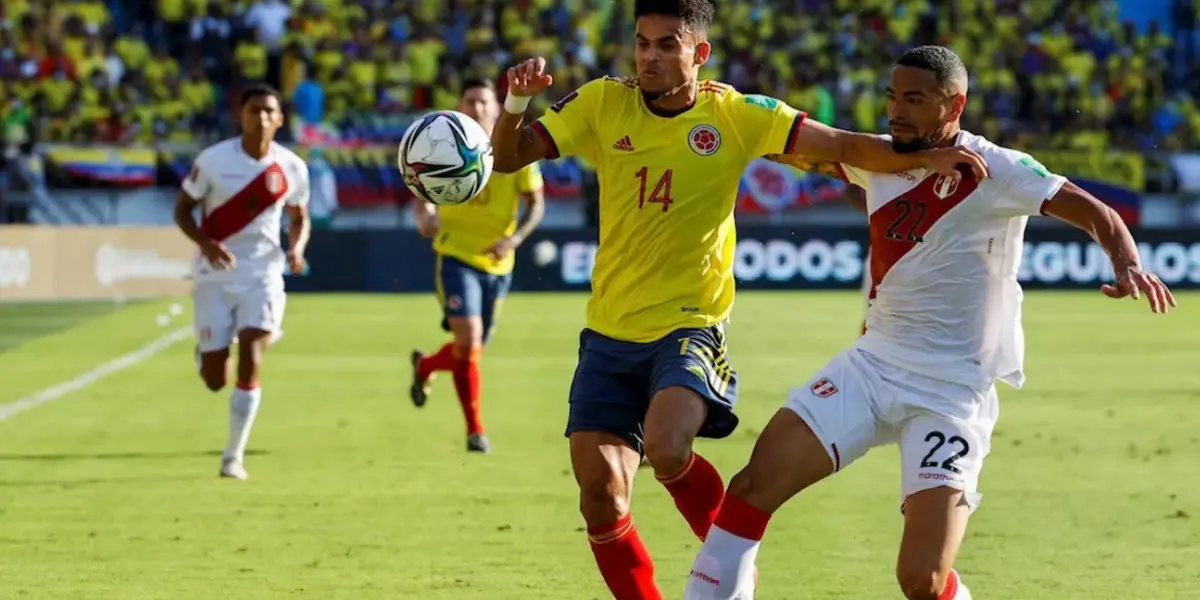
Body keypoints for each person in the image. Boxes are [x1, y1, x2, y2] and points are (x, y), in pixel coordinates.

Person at [489, 0, 990, 596]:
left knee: (669, 447)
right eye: (642, 43)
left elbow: (844, 145)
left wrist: (927, 155)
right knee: (600, 496)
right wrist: (516, 102)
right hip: (608, 331)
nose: (649, 55)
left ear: (698, 53)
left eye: (666, 44)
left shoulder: (734, 114)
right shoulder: (602, 101)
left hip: (689, 325)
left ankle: (730, 560)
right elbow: (508, 157)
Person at [682, 46, 1176, 600]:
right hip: (871, 367)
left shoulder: (999, 168)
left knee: (922, 580)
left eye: (913, 99)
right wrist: (720, 109)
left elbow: (1094, 210)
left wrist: (1128, 263)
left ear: (954, 103)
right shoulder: (878, 156)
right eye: (892, 96)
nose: (896, 110)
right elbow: (799, 147)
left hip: (950, 389)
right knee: (750, 488)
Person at [174, 83, 311, 481]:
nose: (262, 117)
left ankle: (233, 456)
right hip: (215, 274)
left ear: (281, 119)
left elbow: (300, 217)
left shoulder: (292, 167)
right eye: (255, 110)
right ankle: (208, 354)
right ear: (242, 114)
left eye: (270, 111)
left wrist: (296, 249)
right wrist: (206, 243)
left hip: (264, 273)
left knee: (252, 358)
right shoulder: (213, 161)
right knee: (215, 380)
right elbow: (183, 210)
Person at [409, 77, 546, 454]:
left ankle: (425, 366)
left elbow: (535, 204)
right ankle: (475, 431)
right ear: (460, 105)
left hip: (498, 262)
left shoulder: (513, 150)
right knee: (468, 342)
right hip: (455, 254)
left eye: (485, 102)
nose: (479, 108)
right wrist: (425, 213)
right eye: (471, 101)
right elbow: (420, 187)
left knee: (469, 349)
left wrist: (514, 239)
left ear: (498, 107)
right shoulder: (442, 144)